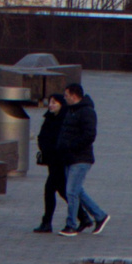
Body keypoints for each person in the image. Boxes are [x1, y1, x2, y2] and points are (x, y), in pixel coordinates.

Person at [58, 81, 109, 235]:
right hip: (69, 157)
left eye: (66, 95)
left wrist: (72, 146)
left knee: (71, 191)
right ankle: (100, 216)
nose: (64, 98)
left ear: (74, 96)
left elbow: (89, 135)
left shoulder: (87, 112)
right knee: (77, 190)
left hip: (81, 158)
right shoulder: (71, 110)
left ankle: (71, 225)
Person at [32, 92, 68, 232]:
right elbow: (42, 136)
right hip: (51, 160)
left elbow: (60, 140)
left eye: (54, 103)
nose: (51, 105)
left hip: (59, 160)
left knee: (50, 190)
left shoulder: (63, 119)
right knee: (62, 190)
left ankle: (47, 222)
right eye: (50, 102)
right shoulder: (49, 117)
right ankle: (84, 217)